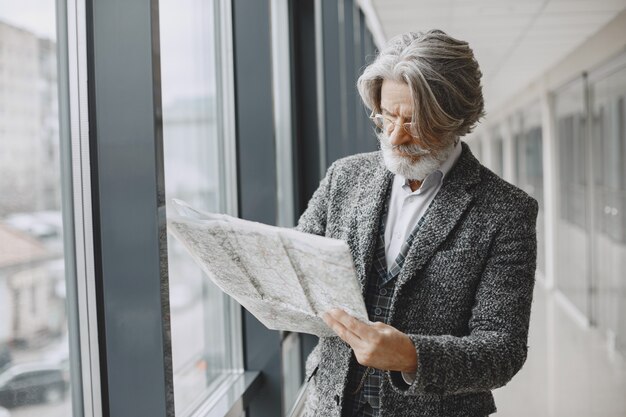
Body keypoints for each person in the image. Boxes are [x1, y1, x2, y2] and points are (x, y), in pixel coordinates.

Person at [296, 29, 538, 417]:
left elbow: (502, 349)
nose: (394, 135)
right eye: (387, 116)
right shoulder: (344, 176)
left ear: (457, 117)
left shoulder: (506, 211)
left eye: (414, 122)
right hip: (329, 405)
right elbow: (297, 261)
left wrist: (411, 356)